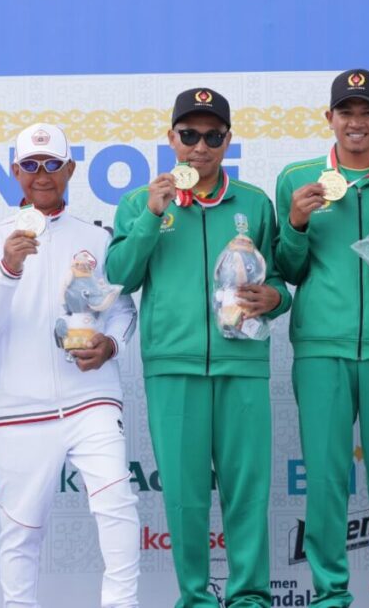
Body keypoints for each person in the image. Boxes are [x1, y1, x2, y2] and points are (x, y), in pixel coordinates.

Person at [106, 88, 291, 608]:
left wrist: (276, 298)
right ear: (171, 138)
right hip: (173, 365)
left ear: (228, 141)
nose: (200, 147)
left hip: (243, 364)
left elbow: (279, 279)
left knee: (247, 491)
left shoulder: (253, 202)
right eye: (189, 135)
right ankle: (194, 598)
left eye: (212, 136)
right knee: (185, 496)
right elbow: (119, 277)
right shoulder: (140, 202)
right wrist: (152, 214)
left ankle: (250, 597)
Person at [274, 69, 369, 607]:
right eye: (346, 112)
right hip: (321, 347)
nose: (356, 122)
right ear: (330, 118)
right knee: (324, 479)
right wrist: (295, 222)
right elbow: (288, 269)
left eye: (367, 112)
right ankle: (329, 594)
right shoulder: (297, 178)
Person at [0, 122, 140, 607]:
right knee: (20, 529)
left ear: (70, 168)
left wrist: (110, 345)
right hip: (19, 407)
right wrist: (8, 268)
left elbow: (123, 310)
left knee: (116, 503)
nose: (41, 174)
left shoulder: (97, 237)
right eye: (30, 164)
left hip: (91, 399)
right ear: (14, 171)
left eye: (52, 164)